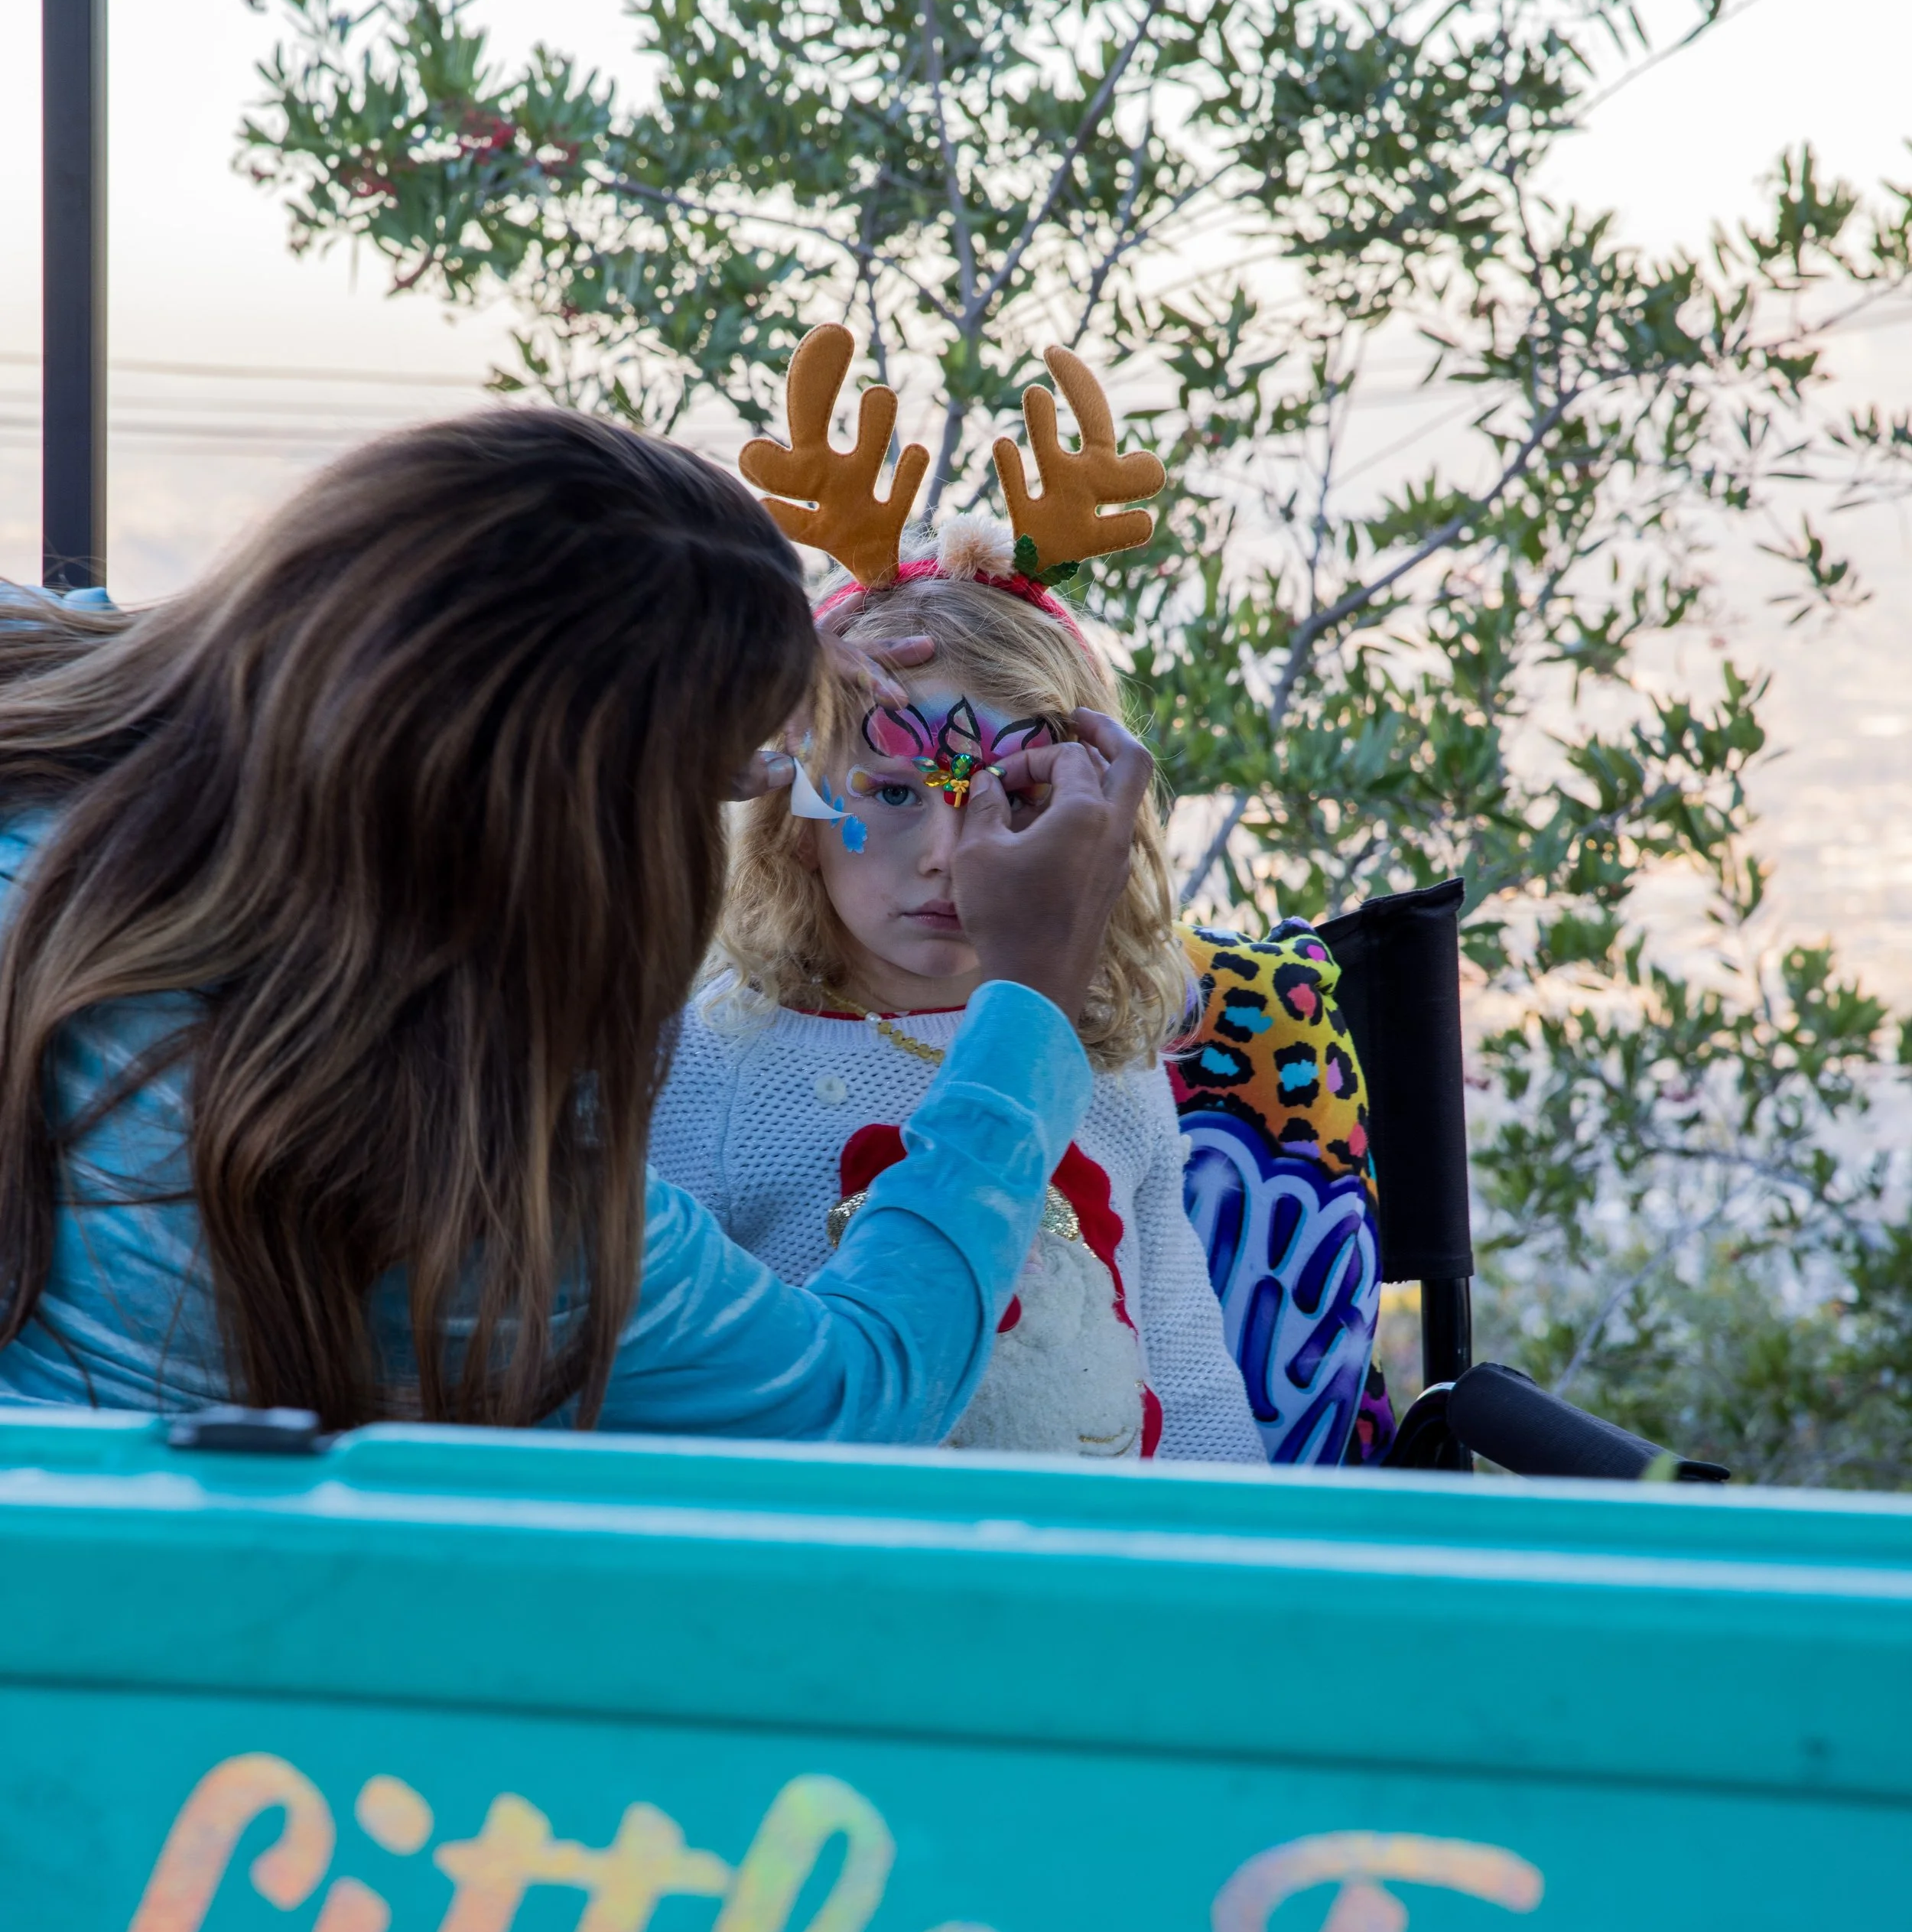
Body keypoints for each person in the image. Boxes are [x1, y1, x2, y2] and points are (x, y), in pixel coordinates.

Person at [0, 407, 1151, 1443]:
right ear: (593, 842)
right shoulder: (471, 1178)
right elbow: (854, 1392)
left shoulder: (43, 777)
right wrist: (1033, 997)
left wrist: (691, 682)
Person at [654, 533, 1264, 1464]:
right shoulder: (711, 1057)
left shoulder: (1108, 1061)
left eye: (1012, 798)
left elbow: (1182, 1371)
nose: (950, 851)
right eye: (895, 791)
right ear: (794, 806)